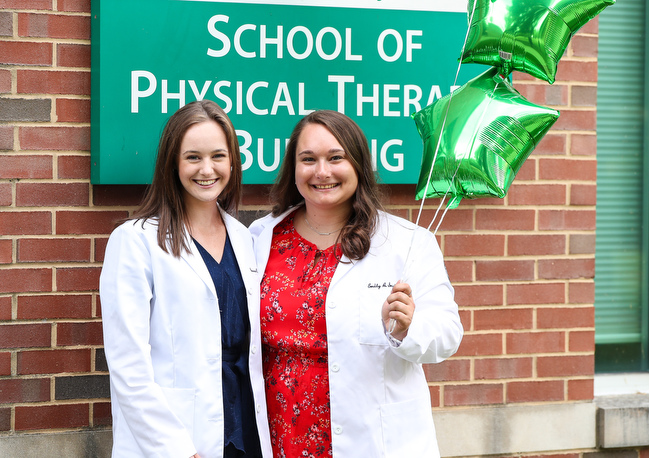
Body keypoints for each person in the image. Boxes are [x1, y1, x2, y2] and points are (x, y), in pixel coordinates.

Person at [249, 110, 464, 458]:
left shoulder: (407, 243)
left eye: (336, 158)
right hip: (281, 437)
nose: (322, 172)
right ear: (294, 169)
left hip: (373, 441)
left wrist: (407, 329)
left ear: (359, 165)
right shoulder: (261, 238)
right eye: (308, 159)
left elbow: (448, 334)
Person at [100, 100, 271, 458]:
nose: (207, 169)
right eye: (193, 157)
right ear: (172, 163)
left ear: (232, 162)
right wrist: (173, 448)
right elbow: (127, 363)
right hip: (178, 438)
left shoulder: (246, 238)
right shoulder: (136, 240)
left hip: (245, 425)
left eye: (218, 156)